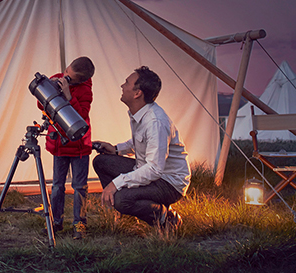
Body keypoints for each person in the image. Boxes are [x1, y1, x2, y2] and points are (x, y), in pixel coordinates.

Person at [93, 66, 190, 232]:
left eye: (127, 83)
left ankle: (166, 217)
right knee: (101, 161)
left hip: (168, 183)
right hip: (148, 171)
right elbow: (138, 142)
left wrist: (115, 184)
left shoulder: (155, 122)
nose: (122, 86)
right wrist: (116, 149)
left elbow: (154, 169)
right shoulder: (140, 113)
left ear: (138, 93)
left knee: (121, 199)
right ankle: (125, 208)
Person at [37, 57, 94, 239]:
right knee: (57, 186)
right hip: (60, 145)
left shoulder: (85, 91)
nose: (65, 78)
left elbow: (82, 115)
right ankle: (56, 221)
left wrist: (69, 96)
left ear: (81, 80)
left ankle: (79, 223)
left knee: (79, 187)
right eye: (66, 73)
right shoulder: (57, 78)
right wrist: (48, 90)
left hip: (79, 146)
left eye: (70, 78)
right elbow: (41, 105)